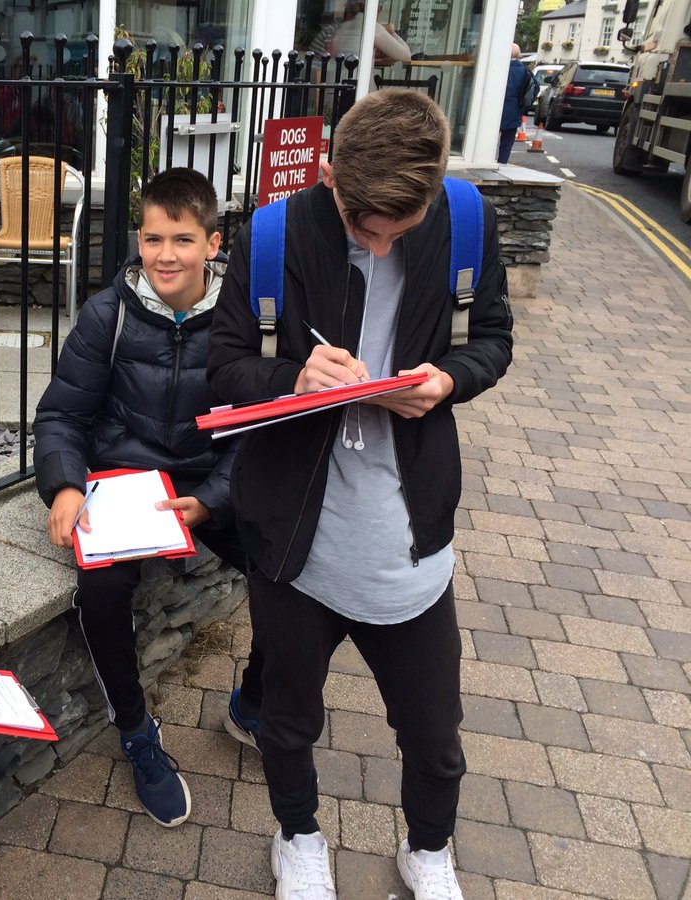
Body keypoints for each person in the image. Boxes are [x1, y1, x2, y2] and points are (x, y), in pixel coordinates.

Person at [207, 90, 513, 899]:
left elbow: (493, 341)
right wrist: (291, 376)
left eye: (396, 232)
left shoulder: (466, 226)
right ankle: (298, 838)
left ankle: (429, 850)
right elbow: (225, 365)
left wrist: (448, 380)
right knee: (286, 720)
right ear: (326, 173)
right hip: (293, 535)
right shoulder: (270, 237)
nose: (377, 241)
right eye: (360, 225)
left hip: (408, 536)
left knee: (434, 735)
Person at [33, 168, 256, 828]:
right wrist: (67, 483)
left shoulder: (242, 320)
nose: (164, 255)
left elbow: (256, 430)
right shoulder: (108, 313)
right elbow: (61, 417)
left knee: (291, 567)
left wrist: (213, 499)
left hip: (201, 481)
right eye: (153, 238)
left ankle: (258, 706)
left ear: (213, 243)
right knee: (100, 591)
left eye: (182, 240)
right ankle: (135, 731)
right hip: (123, 481)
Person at [499, 43, 535, 164]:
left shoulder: (499, 67)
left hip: (495, 111)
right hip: (514, 112)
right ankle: (501, 165)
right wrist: (524, 106)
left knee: (488, 142)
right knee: (506, 143)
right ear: (518, 55)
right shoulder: (525, 72)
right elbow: (534, 90)